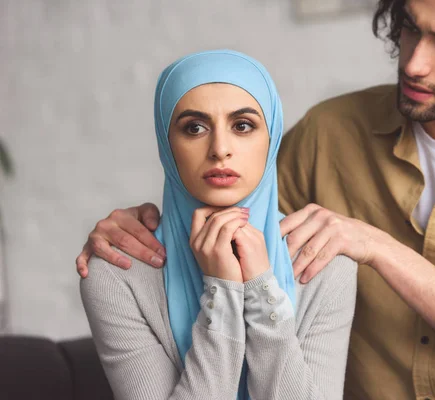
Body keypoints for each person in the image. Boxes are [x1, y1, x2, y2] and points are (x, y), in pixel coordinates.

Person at [78, 0, 435, 398]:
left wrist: (375, 247)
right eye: (411, 28)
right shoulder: (329, 134)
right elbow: (230, 194)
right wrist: (131, 226)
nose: (414, 62)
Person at [80, 49, 357, 400]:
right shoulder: (117, 275)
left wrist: (260, 288)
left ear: (270, 138)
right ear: (167, 145)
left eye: (242, 126)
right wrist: (222, 290)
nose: (220, 149)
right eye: (194, 128)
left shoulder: (325, 263)